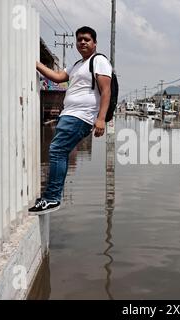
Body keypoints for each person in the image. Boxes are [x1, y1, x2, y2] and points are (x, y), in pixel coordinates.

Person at [29, 26, 112, 215]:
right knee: (60, 151)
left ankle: (52, 198)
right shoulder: (77, 65)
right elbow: (58, 77)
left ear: (94, 43)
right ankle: (52, 196)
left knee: (57, 150)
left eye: (86, 39)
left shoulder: (98, 61)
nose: (82, 42)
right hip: (69, 114)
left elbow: (106, 91)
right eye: (79, 39)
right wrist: (35, 63)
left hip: (82, 116)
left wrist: (100, 119)